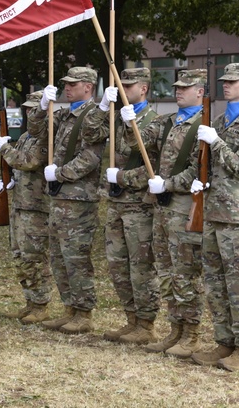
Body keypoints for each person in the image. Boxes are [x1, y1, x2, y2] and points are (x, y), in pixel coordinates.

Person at [116, 69, 206, 357]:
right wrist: (128, 122)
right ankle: (174, 330)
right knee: (166, 271)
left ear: (200, 92)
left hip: (184, 208)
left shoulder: (204, 126)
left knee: (186, 273)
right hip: (161, 208)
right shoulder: (167, 122)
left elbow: (199, 169)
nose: (179, 91)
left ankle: (190, 333)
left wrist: (166, 183)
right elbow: (140, 143)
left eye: (186, 88)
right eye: (177, 87)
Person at [191, 62, 239, 371]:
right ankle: (224, 344)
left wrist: (216, 142)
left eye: (233, 81)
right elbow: (212, 165)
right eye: (224, 80)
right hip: (214, 215)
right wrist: (201, 179)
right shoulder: (219, 120)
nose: (227, 85)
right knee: (215, 286)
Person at [82, 68, 160, 343]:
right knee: (117, 265)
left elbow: (154, 168)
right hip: (116, 202)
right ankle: (131, 318)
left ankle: (146, 323)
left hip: (139, 204)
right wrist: (102, 107)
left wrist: (123, 177)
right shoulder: (116, 116)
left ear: (144, 88)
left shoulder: (156, 120)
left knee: (140, 266)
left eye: (130, 85)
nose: (124, 89)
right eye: (121, 84)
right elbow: (90, 134)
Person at [30, 66, 106, 335]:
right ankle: (70, 308)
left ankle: (84, 313)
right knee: (59, 256)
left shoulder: (95, 116)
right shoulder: (63, 114)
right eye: (66, 84)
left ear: (88, 86)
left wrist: (60, 173)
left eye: (72, 84)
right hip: (59, 197)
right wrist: (41, 106)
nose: (67, 88)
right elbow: (36, 130)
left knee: (76, 257)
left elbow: (91, 157)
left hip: (79, 198)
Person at [0, 91, 51, 324]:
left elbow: (29, 161)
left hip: (37, 206)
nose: (29, 112)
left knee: (34, 257)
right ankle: (30, 301)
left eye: (33, 109)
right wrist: (9, 179)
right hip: (20, 203)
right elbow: (18, 166)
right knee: (20, 256)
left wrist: (4, 149)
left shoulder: (46, 136)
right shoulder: (27, 135)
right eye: (27, 108)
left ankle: (41, 304)